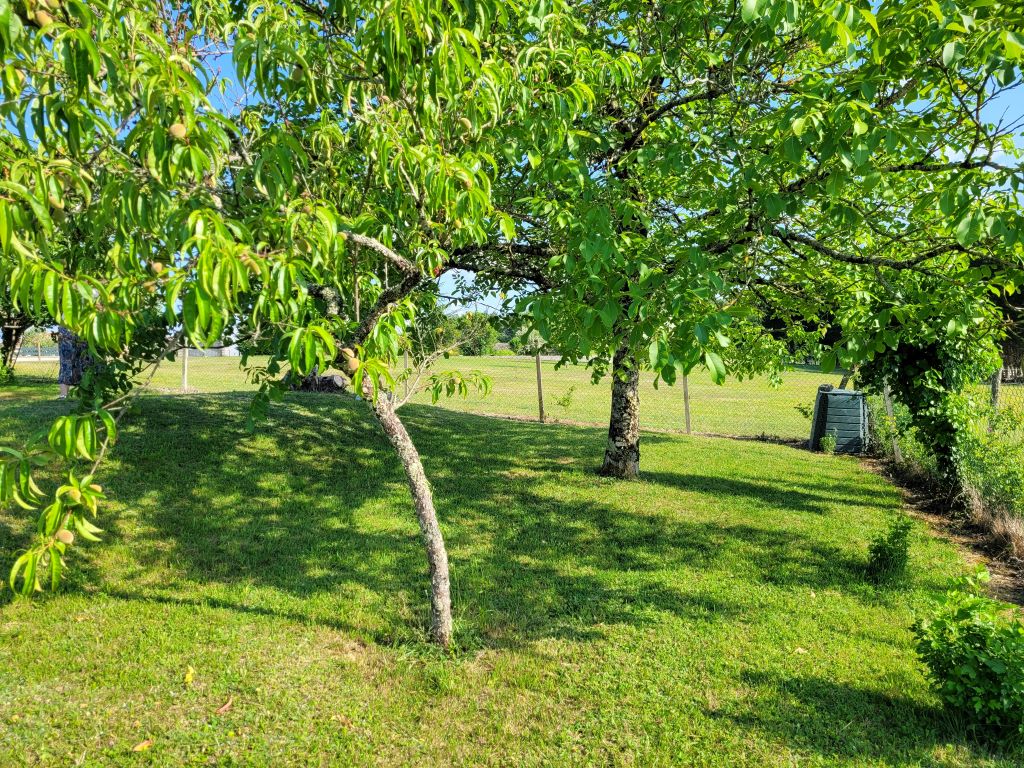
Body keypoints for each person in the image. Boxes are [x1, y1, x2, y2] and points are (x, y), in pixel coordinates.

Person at [55, 326, 89, 399]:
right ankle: (63, 394)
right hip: (67, 331)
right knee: (66, 363)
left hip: (83, 331)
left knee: (85, 363)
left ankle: (85, 394)